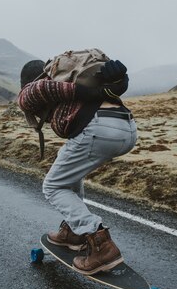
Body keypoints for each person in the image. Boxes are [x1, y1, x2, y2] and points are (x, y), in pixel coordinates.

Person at [17, 57, 137, 275]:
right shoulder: (75, 83)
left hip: (100, 129)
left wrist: (101, 90)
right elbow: (101, 90)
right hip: (126, 128)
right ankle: (74, 232)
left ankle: (100, 244)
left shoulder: (31, 90)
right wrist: (115, 84)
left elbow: (43, 87)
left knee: (53, 186)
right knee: (68, 170)